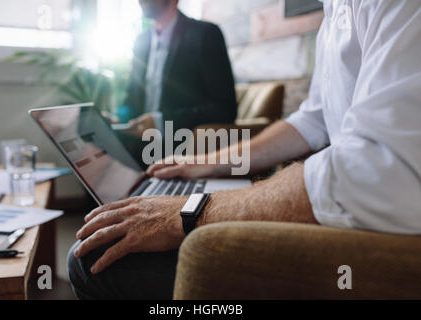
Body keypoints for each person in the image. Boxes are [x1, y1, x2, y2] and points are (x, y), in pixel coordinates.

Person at [68, 0, 421, 299]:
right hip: (352, 198)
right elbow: (313, 120)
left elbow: (381, 170)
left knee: (92, 262)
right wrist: (206, 163)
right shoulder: (334, 14)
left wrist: (190, 212)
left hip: (379, 227)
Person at [121, 0, 237, 133]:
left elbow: (225, 109)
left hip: (182, 145)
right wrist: (118, 119)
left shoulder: (205, 35)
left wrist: (161, 122)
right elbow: (132, 97)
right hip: (136, 145)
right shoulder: (142, 40)